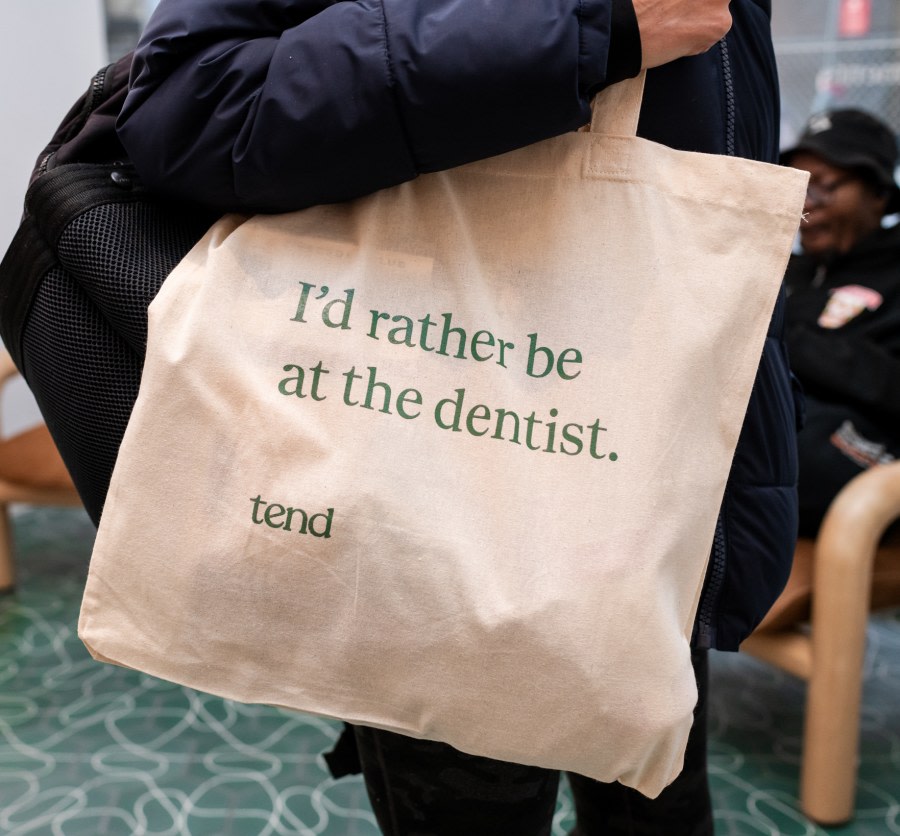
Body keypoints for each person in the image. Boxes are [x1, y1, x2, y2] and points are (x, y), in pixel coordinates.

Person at [23, 1, 797, 834]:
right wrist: (590, 27)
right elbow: (195, 104)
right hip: (437, 488)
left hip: (658, 481)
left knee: (660, 805)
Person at [781, 109, 900, 537]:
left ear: (878, 193)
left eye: (825, 186)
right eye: (799, 186)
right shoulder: (784, 270)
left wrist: (789, 340)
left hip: (868, 458)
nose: (806, 203)